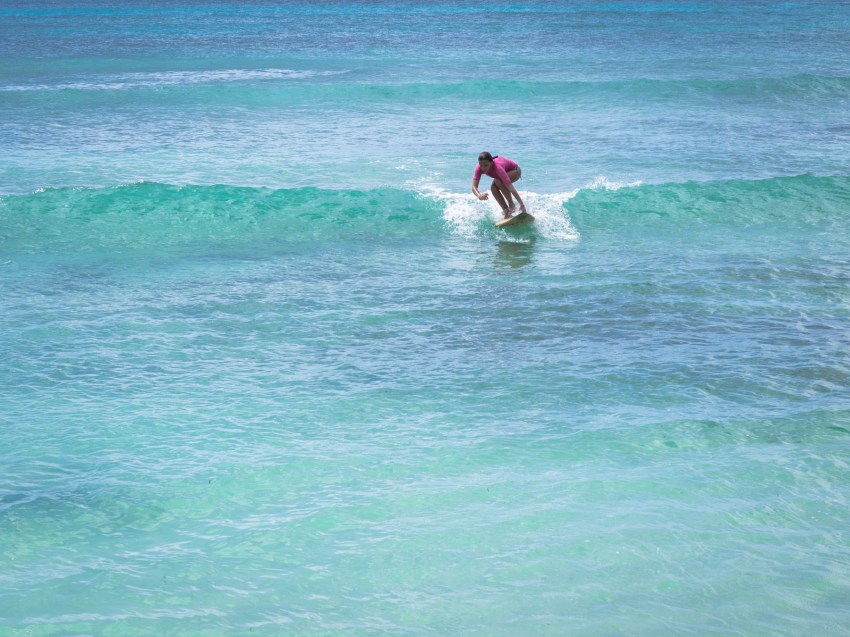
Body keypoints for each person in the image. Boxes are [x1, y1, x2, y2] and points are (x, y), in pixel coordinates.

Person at [471, 151, 527, 219]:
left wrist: (521, 204)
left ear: (491, 162)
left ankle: (512, 206)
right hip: (503, 174)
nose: (483, 168)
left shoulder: (498, 167)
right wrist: (479, 196)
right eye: (481, 165)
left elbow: (510, 187)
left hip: (515, 171)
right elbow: (474, 187)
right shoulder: (479, 168)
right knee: (493, 188)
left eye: (486, 165)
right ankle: (506, 211)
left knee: (498, 181)